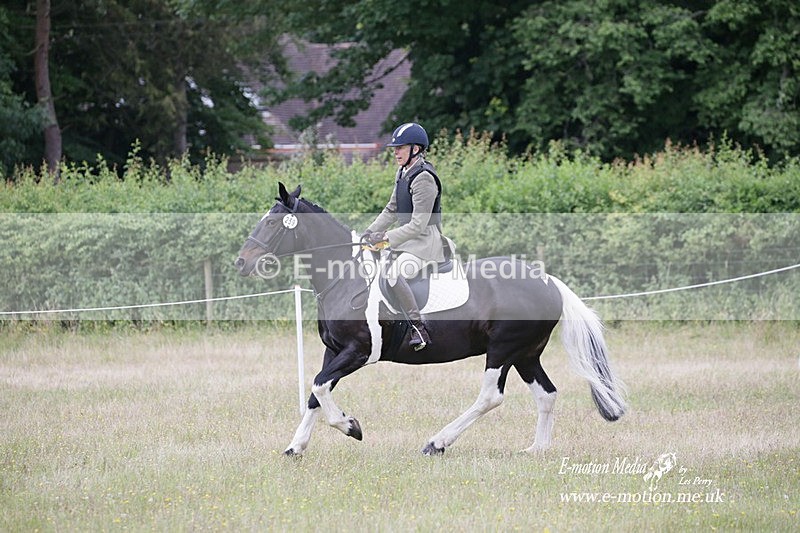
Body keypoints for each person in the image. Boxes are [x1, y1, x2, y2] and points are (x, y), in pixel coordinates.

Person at [364, 122, 452, 351]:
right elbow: (392, 208)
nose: (395, 151)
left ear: (416, 149)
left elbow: (418, 225)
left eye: (400, 147)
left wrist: (385, 238)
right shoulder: (403, 172)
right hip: (407, 240)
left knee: (393, 273)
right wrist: (371, 231)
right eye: (395, 147)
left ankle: (418, 328)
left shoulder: (424, 178)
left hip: (425, 242)